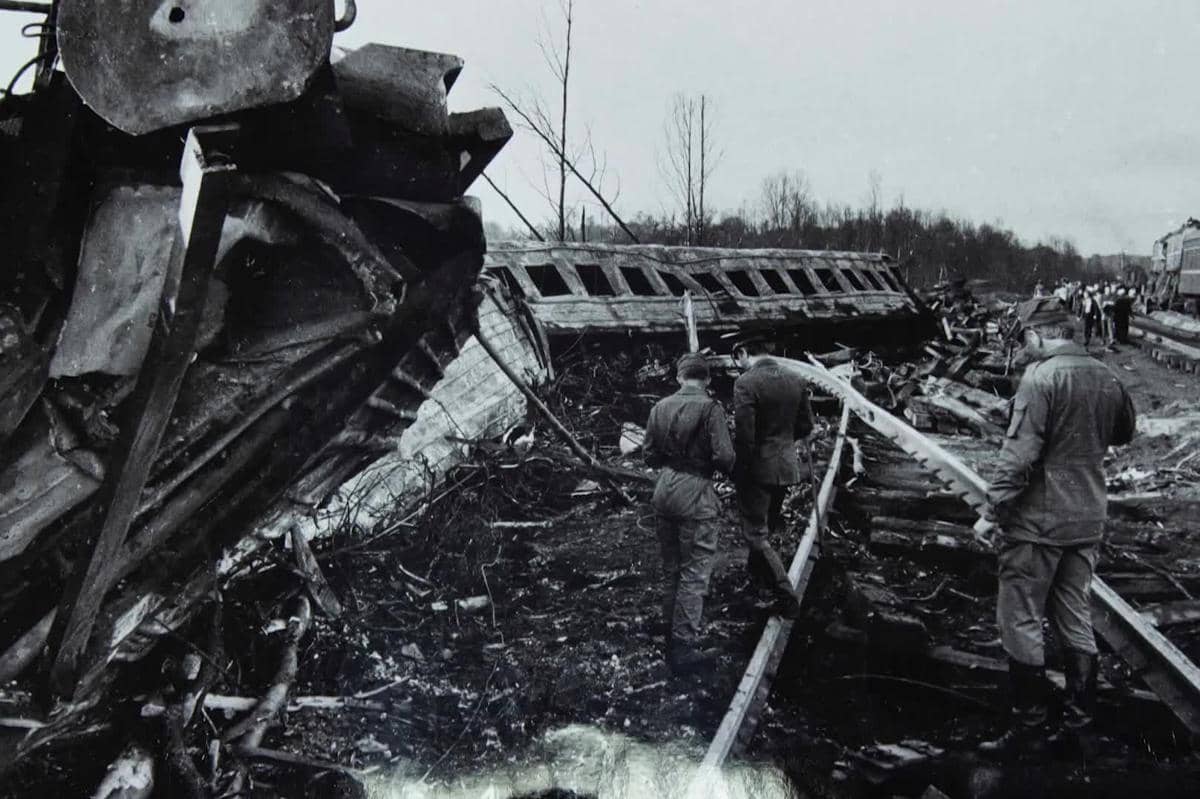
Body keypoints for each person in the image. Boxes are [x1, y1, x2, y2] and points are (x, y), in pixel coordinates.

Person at [974, 297, 1136, 757]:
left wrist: (991, 512)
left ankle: (1029, 727)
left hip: (1039, 523)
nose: (1025, 346)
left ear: (1040, 334)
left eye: (1026, 337)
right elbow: (1124, 432)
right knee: (1074, 617)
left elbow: (1019, 455)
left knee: (1020, 616)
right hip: (1087, 517)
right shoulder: (1107, 375)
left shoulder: (1040, 378)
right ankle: (1080, 727)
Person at [643, 352, 735, 674]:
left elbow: (648, 455)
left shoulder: (659, 407)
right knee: (695, 570)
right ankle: (683, 646)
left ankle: (669, 627)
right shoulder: (712, 408)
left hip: (664, 490)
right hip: (695, 493)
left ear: (679, 378)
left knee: (672, 567)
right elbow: (725, 456)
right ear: (707, 379)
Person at [731, 336, 815, 619]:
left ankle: (786, 595)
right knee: (767, 527)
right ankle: (756, 580)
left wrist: (740, 470)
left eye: (737, 359)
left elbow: (744, 437)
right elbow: (807, 425)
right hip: (787, 466)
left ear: (743, 352)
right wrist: (782, 443)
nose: (738, 365)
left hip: (758, 469)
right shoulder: (795, 378)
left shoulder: (746, 383)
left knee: (755, 533)